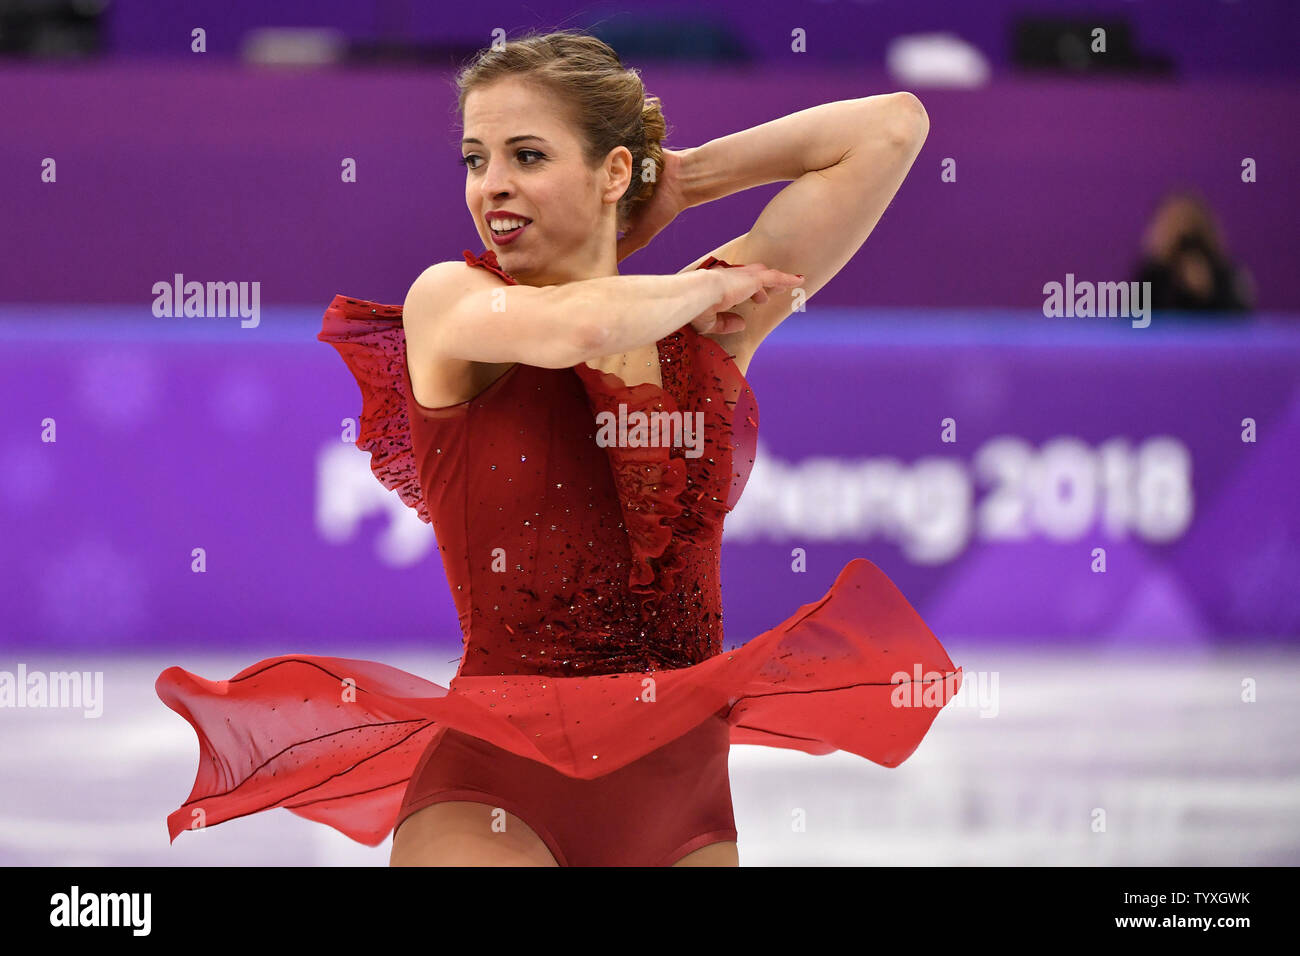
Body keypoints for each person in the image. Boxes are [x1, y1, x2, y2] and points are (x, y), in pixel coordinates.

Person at [156, 29, 962, 867]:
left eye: (527, 155)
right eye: (475, 158)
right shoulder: (452, 303)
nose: (491, 185)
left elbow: (892, 128)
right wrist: (711, 284)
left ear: (613, 171)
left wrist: (681, 181)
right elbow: (577, 322)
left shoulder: (700, 333)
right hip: (498, 793)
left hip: (685, 803)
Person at [1133, 190, 1254, 314]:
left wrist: (1206, 292)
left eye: (1186, 222)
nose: (1180, 229)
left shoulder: (1224, 272)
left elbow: (1240, 317)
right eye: (1174, 222)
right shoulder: (1152, 272)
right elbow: (1132, 316)